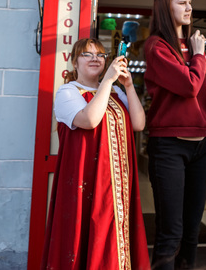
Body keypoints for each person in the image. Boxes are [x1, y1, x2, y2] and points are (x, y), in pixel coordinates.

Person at [41, 38, 150, 270]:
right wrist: (108, 81)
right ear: (74, 62)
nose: (95, 59)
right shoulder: (68, 92)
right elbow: (89, 120)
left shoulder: (117, 92)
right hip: (86, 183)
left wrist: (129, 86)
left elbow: (139, 124)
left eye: (100, 55)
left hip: (117, 184)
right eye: (87, 54)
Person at [144, 0, 206, 269]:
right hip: (169, 146)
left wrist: (196, 53)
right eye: (182, 3)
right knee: (170, 232)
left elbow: (200, 92)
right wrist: (198, 55)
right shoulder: (156, 46)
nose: (189, 8)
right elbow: (189, 86)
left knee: (191, 231)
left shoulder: (193, 46)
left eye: (190, 2)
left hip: (201, 145)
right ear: (166, 6)